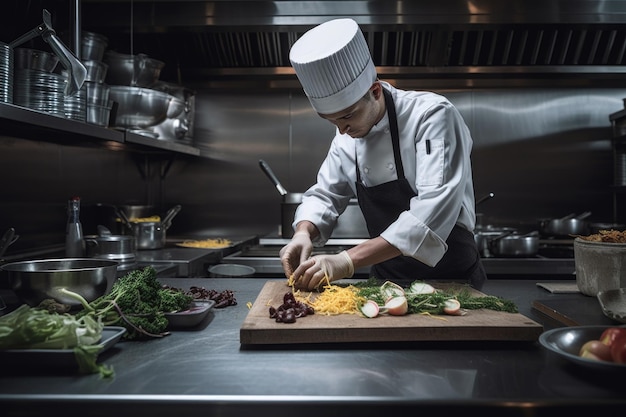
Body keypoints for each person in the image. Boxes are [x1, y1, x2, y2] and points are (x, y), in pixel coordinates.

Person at [280, 18, 486, 291]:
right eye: (332, 122)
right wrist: (303, 232)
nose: (341, 130)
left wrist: (346, 260)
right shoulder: (348, 134)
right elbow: (325, 194)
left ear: (374, 91)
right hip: (386, 282)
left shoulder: (432, 115)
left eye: (347, 116)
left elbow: (431, 214)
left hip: (450, 279)